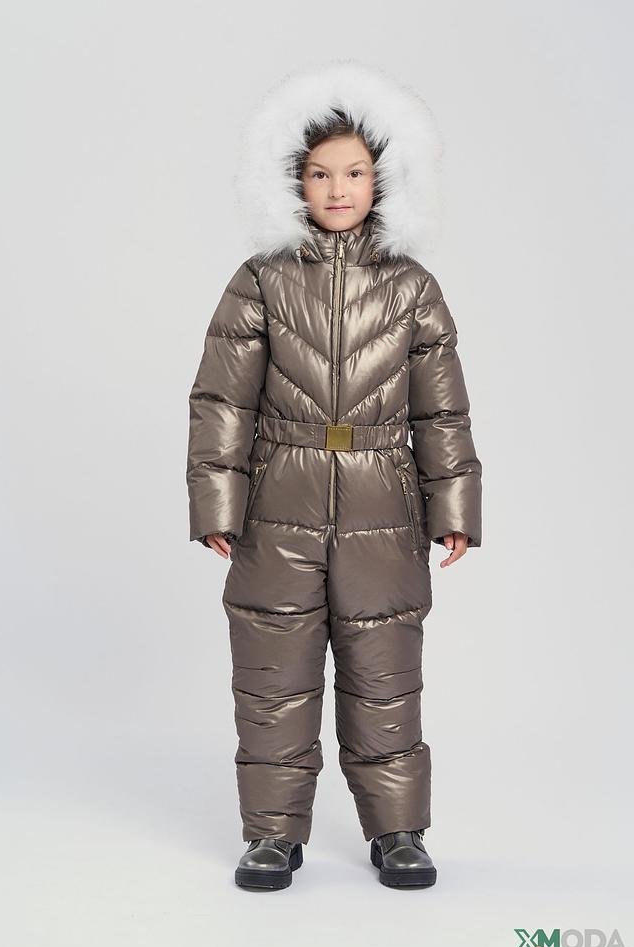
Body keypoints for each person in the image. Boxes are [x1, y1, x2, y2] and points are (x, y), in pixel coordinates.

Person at [186, 59, 482, 891]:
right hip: (278, 498)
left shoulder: (413, 288)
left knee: (384, 671)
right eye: (321, 173)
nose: (338, 188)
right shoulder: (261, 280)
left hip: (383, 501)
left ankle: (399, 832)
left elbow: (442, 411)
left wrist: (454, 505)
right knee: (272, 674)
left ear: (383, 180)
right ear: (293, 181)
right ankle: (271, 834)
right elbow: (222, 399)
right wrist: (217, 501)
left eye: (354, 172)